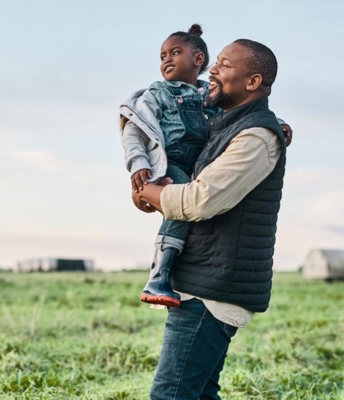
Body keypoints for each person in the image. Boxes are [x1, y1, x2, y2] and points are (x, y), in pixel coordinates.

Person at [132, 39, 288, 399]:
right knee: (199, 394)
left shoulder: (257, 135)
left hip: (212, 290)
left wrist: (149, 194)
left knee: (170, 395)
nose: (212, 71)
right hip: (204, 281)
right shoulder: (227, 126)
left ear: (253, 81)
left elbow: (201, 200)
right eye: (215, 62)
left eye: (225, 65)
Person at [119, 25, 291, 309]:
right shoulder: (157, 93)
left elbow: (243, 115)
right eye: (162, 56)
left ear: (198, 59)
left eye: (175, 52)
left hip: (199, 166)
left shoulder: (210, 96)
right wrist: (139, 167)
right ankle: (158, 275)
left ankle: (163, 275)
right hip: (172, 162)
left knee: (184, 208)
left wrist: (278, 121)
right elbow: (135, 131)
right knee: (177, 213)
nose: (166, 60)